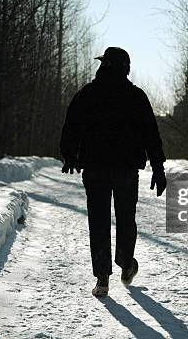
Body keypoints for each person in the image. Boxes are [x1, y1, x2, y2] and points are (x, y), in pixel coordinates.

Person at [59, 46, 167, 297]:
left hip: (95, 168)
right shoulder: (135, 96)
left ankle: (102, 278)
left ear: (104, 66)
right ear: (126, 68)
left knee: (98, 220)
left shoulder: (88, 93)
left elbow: (72, 125)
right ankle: (126, 263)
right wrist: (158, 168)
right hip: (126, 170)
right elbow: (151, 134)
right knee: (126, 218)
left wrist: (69, 154)